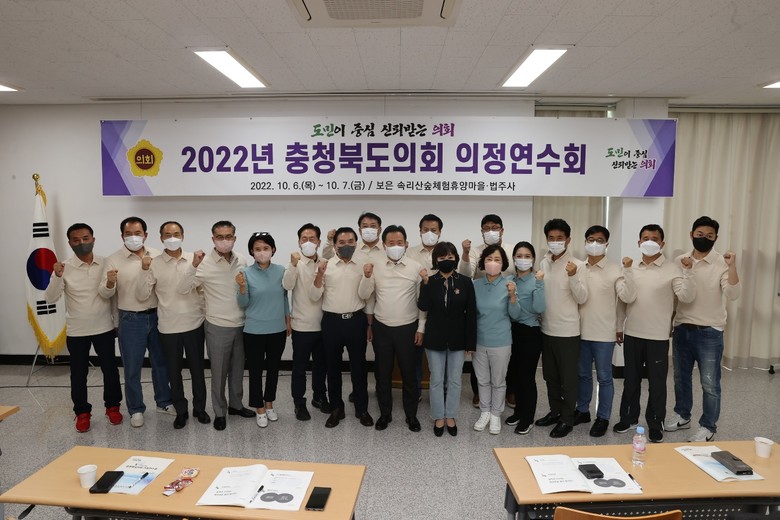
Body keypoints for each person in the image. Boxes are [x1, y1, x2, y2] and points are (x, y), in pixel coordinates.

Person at [615, 224, 696, 443]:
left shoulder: (673, 269)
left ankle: (655, 422)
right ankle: (629, 418)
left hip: (658, 336)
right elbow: (624, 300)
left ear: (662, 243)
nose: (649, 241)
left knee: (657, 383)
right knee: (631, 380)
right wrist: (619, 327)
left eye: (654, 238)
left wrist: (689, 272)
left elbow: (686, 297)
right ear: (639, 242)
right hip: (633, 332)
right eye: (645, 238)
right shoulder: (630, 267)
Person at [666, 216, 739, 442]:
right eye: (699, 234)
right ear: (691, 235)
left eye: (709, 236)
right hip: (682, 328)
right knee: (681, 378)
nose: (704, 238)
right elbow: (678, 297)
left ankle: (708, 426)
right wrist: (670, 322)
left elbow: (733, 294)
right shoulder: (680, 260)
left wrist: (732, 267)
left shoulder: (722, 263)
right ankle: (682, 415)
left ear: (716, 238)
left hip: (710, 332)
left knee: (710, 383)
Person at [45, 223, 122, 433]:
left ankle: (113, 406)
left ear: (93, 239)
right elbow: (50, 298)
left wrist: (116, 323)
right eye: (76, 240)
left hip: (104, 327)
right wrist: (57, 276)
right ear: (70, 243)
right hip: (77, 330)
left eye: (86, 238)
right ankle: (82, 412)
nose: (82, 243)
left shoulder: (106, 263)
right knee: (78, 373)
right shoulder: (64, 267)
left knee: (110, 370)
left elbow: (111, 296)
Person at [177, 220, 254, 431]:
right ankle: (220, 411)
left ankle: (236, 405)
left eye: (228, 237)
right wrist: (193, 265)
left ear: (234, 238)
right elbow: (183, 288)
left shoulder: (242, 260)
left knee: (238, 371)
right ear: (213, 239)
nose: (224, 241)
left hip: (242, 324)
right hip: (217, 326)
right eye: (220, 237)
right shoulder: (203, 263)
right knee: (219, 373)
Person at [99, 216, 172, 428]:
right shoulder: (112, 260)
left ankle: (164, 402)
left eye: (137, 233)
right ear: (122, 236)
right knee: (132, 367)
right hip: (130, 319)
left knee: (161, 364)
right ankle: (136, 409)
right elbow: (105, 293)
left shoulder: (157, 255)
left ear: (145, 235)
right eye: (128, 234)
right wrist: (110, 282)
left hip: (157, 316)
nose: (133, 237)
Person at [136, 221, 210, 429]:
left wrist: (203, 311)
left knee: (197, 370)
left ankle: (200, 408)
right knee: (174, 372)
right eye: (167, 235)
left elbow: (203, 290)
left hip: (194, 323)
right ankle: (181, 410)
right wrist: (144, 270)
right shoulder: (154, 263)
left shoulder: (195, 259)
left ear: (183, 236)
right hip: (168, 326)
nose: (172, 238)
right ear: (160, 238)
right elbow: (141, 295)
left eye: (176, 234)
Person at [358, 225, 426, 432]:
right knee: (382, 374)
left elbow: (422, 302)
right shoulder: (375, 266)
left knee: (409, 375)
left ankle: (411, 415)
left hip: (408, 328)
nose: (395, 246)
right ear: (384, 245)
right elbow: (366, 296)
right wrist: (366, 276)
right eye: (391, 243)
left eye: (399, 243)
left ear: (406, 244)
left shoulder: (416, 267)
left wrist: (421, 328)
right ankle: (385, 414)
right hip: (382, 328)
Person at [574, 226, 636, 437]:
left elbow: (626, 298)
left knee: (604, 377)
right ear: (585, 242)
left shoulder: (615, 270)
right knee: (582, 375)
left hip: (604, 334)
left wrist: (618, 327)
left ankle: (603, 417)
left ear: (606, 244)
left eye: (599, 240)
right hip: (579, 331)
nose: (594, 244)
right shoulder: (577, 268)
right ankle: (582, 410)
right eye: (590, 239)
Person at [311, 227, 374, 428]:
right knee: (333, 368)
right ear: (335, 244)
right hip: (332, 322)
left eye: (350, 242)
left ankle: (362, 409)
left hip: (356, 321)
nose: (346, 245)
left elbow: (366, 295)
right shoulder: (325, 265)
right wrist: (319, 275)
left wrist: (367, 276)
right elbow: (314, 296)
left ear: (356, 243)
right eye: (342, 242)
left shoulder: (363, 264)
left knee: (359, 368)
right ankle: (337, 408)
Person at [535, 218, 588, 439]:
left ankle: (567, 419)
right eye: (551, 238)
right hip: (546, 328)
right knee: (550, 376)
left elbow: (582, 297)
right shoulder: (544, 263)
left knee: (568, 379)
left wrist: (573, 276)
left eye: (560, 238)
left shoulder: (578, 265)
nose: (555, 241)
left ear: (568, 239)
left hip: (567, 331)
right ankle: (555, 411)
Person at [418, 241, 477, 437]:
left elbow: (471, 314)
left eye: (450, 257)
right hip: (434, 339)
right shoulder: (429, 281)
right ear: (436, 260)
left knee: (454, 380)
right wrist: (425, 284)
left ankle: (451, 415)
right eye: (442, 257)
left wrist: (470, 342)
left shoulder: (465, 282)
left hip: (458, 340)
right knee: (436, 379)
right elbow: (423, 306)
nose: (446, 260)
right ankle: (438, 416)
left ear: (456, 259)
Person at [459, 214, 514, 408]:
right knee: (480, 364)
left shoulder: (511, 250)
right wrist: (465, 254)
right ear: (482, 231)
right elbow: (466, 274)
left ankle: (507, 394)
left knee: (504, 363)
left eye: (495, 227)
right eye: (487, 228)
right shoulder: (475, 251)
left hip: (505, 310)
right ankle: (479, 395)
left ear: (502, 230)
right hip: (482, 310)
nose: (491, 231)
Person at [237, 232, 290, 428]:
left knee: (274, 369)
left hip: (277, 329)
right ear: (252, 251)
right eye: (257, 249)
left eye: (266, 248)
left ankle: (269, 404)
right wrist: (242, 287)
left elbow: (284, 298)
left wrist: (288, 320)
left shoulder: (281, 271)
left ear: (273, 250)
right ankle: (259, 408)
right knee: (255, 371)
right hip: (254, 331)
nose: (262, 252)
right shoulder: (245, 273)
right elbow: (243, 303)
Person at [472, 245, 523, 435]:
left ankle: (495, 414)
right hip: (479, 340)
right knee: (482, 380)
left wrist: (512, 296)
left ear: (503, 263)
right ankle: (485, 412)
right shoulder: (475, 285)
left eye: (497, 259)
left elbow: (515, 315)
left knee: (498, 381)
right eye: (489, 259)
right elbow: (470, 315)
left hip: (501, 341)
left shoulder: (509, 284)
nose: (493, 263)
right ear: (483, 262)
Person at [283, 223, 329, 421]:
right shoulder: (296, 263)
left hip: (324, 325)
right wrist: (293, 265)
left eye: (312, 239)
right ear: (299, 242)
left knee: (321, 366)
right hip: (302, 325)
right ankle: (299, 403)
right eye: (304, 239)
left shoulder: (325, 263)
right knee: (300, 368)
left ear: (318, 242)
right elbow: (287, 285)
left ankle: (319, 397)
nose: (308, 242)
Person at [504, 241, 545, 435]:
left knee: (527, 377)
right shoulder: (509, 280)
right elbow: (512, 313)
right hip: (512, 331)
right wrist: (512, 296)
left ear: (533, 259)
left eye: (527, 256)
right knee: (515, 375)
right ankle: (518, 412)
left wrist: (540, 284)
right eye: (519, 256)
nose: (523, 259)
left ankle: (528, 418)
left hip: (530, 332)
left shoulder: (537, 279)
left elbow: (539, 308)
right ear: (513, 258)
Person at [405, 214, 444, 402]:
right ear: (420, 231)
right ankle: (416, 391)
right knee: (415, 355)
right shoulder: (409, 253)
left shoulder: (446, 252)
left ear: (440, 232)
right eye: (425, 230)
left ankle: (441, 392)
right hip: (415, 311)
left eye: (433, 230)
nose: (429, 233)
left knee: (440, 356)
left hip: (439, 314)